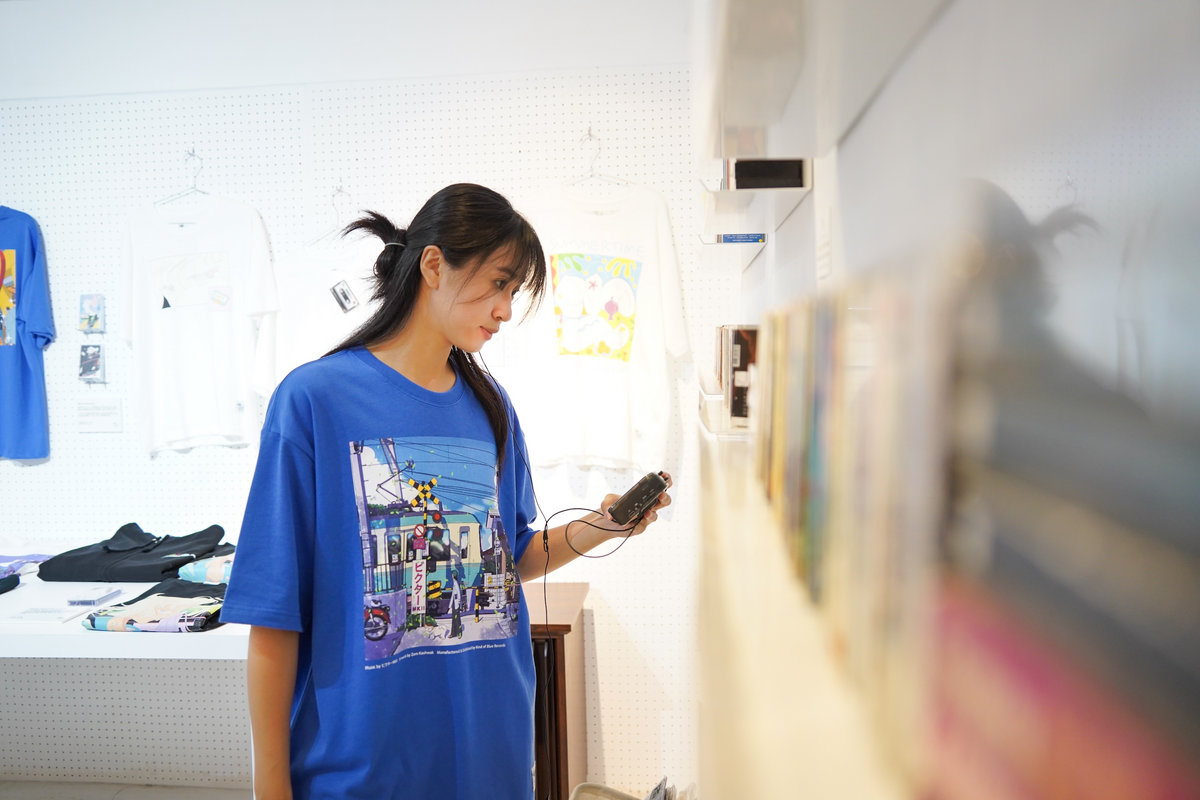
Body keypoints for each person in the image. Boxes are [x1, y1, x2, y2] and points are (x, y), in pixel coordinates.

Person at [221, 183, 672, 800]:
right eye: (499, 284)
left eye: (514, 292)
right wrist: (270, 787)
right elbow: (275, 612)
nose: (506, 310)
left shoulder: (490, 406)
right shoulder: (314, 400)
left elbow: (511, 556)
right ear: (433, 266)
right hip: (363, 763)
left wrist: (605, 526)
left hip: (491, 746)